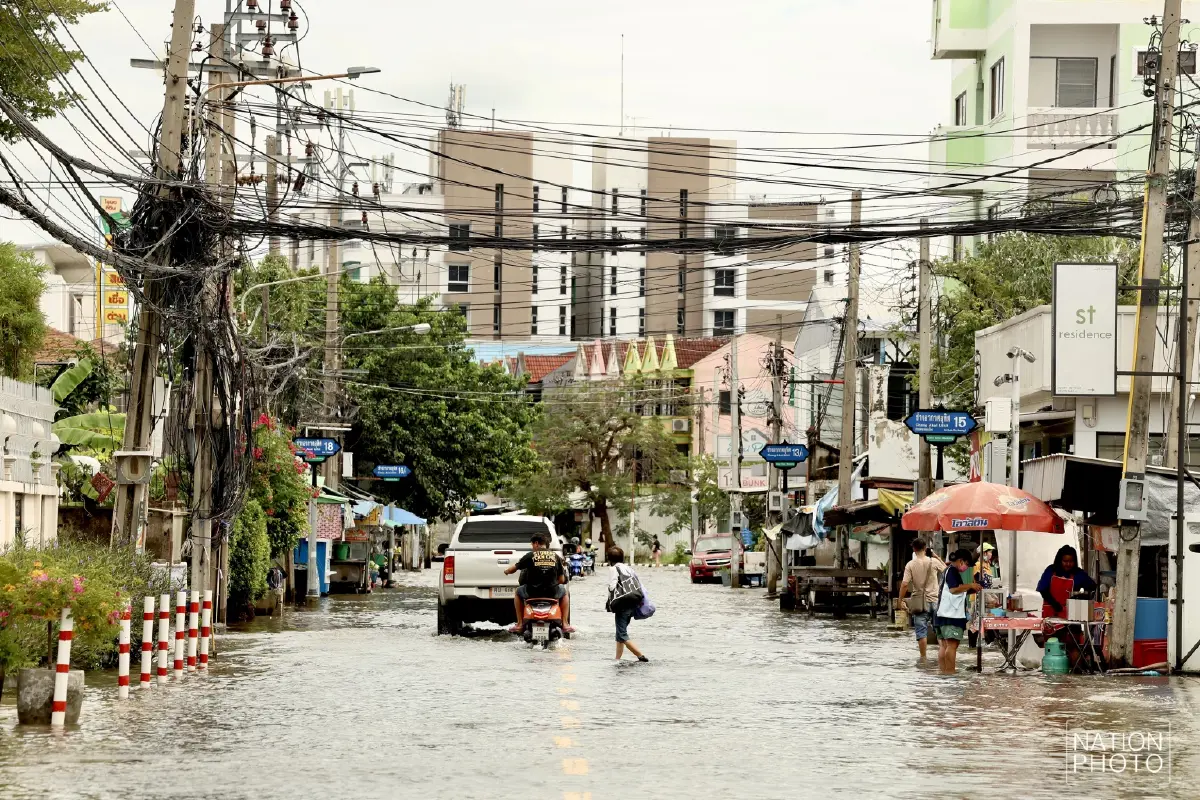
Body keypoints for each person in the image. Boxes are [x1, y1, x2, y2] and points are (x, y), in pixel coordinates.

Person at [504, 532, 574, 634]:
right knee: (565, 592)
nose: (532, 547)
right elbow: (562, 580)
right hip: (552, 593)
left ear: (536, 543)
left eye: (532, 545)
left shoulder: (530, 555)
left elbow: (513, 569)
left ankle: (519, 624)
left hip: (532, 592)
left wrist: (506, 571)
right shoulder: (555, 556)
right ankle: (565, 624)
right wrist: (551, 583)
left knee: (518, 592)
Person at [896, 538, 945, 661]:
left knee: (921, 632)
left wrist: (900, 600)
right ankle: (944, 656)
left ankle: (923, 659)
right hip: (935, 601)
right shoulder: (934, 561)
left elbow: (904, 584)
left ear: (914, 549)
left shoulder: (910, 564)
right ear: (925, 548)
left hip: (919, 603)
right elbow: (947, 570)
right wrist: (937, 557)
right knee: (939, 630)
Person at [934, 549, 982, 674]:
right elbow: (954, 589)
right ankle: (950, 673)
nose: (966, 568)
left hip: (942, 613)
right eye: (967, 564)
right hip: (951, 615)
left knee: (944, 646)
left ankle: (944, 673)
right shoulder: (952, 571)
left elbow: (959, 590)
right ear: (961, 561)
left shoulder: (948, 571)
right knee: (952, 645)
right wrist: (971, 585)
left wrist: (973, 588)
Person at [606, 546, 648, 662]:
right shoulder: (629, 569)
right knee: (620, 633)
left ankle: (640, 656)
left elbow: (612, 586)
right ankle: (617, 659)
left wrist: (610, 602)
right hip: (633, 602)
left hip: (622, 604)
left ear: (609, 559)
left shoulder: (613, 569)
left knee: (622, 635)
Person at [1037, 544, 1096, 619]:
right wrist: (1055, 604)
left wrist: (1081, 597)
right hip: (1050, 612)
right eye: (1065, 561)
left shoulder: (1078, 573)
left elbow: (1092, 586)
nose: (1068, 564)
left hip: (1070, 613)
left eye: (1071, 561)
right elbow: (1043, 590)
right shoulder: (1051, 570)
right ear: (1060, 560)